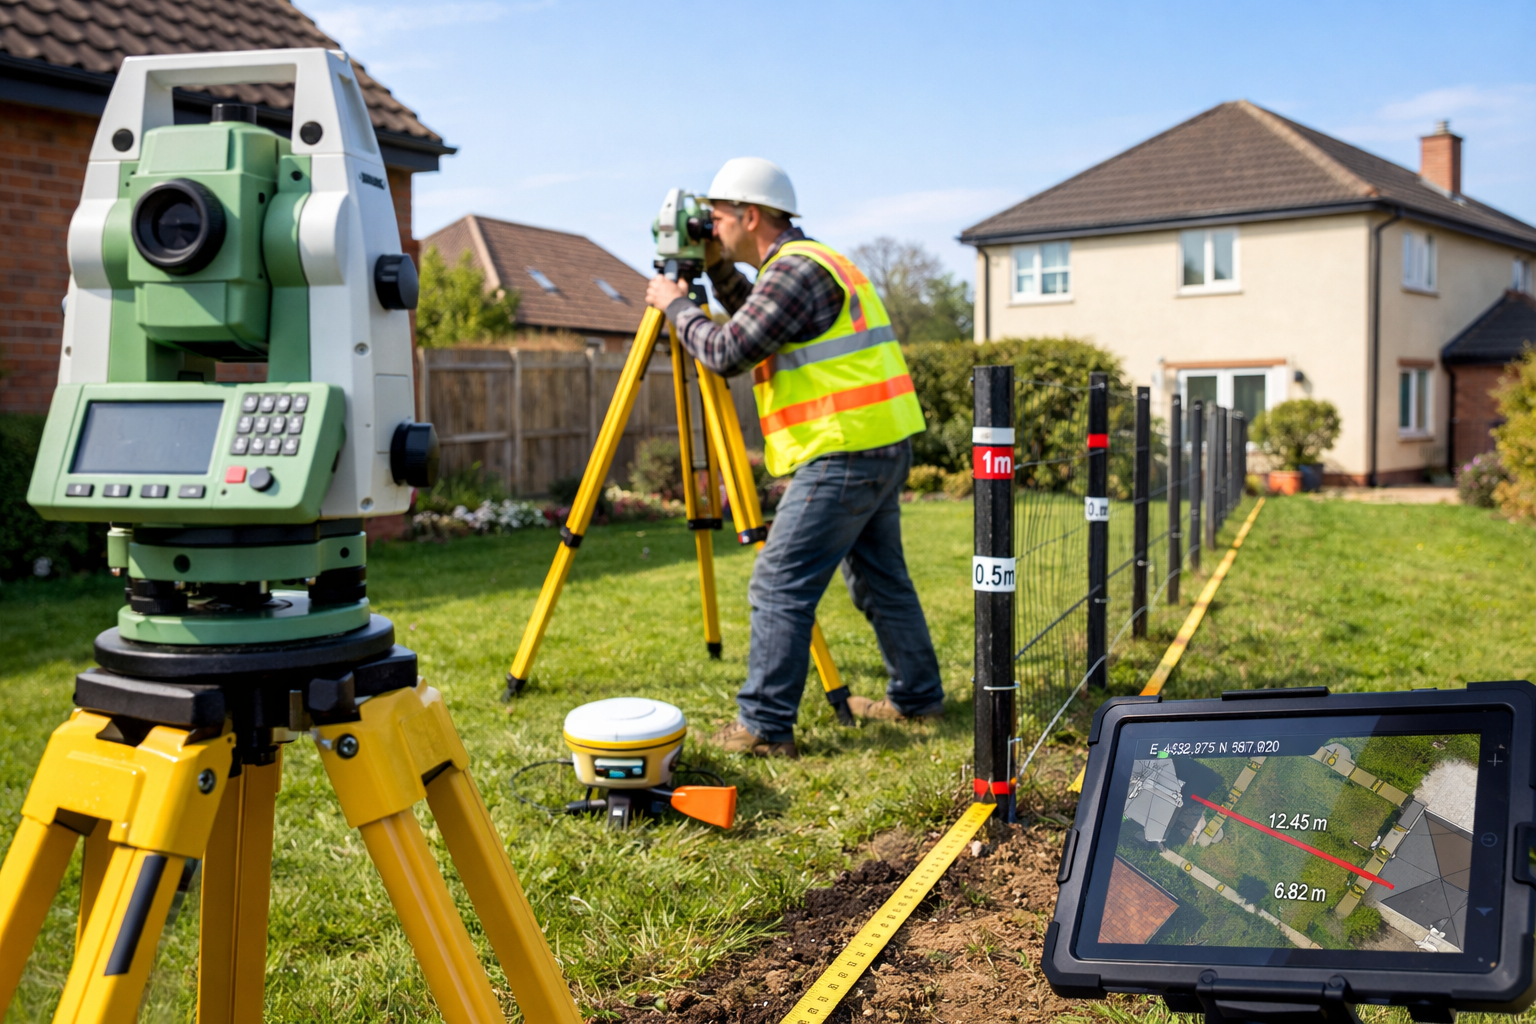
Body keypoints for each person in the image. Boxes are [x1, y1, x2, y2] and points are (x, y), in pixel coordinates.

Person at [645, 157, 945, 759]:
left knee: (780, 582)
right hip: (879, 440)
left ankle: (764, 726)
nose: (711, 228)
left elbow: (730, 349)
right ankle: (918, 698)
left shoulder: (793, 273)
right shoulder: (812, 262)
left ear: (748, 215)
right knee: (882, 582)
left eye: (718, 217)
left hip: (843, 451)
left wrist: (675, 306)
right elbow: (762, 316)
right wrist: (718, 273)